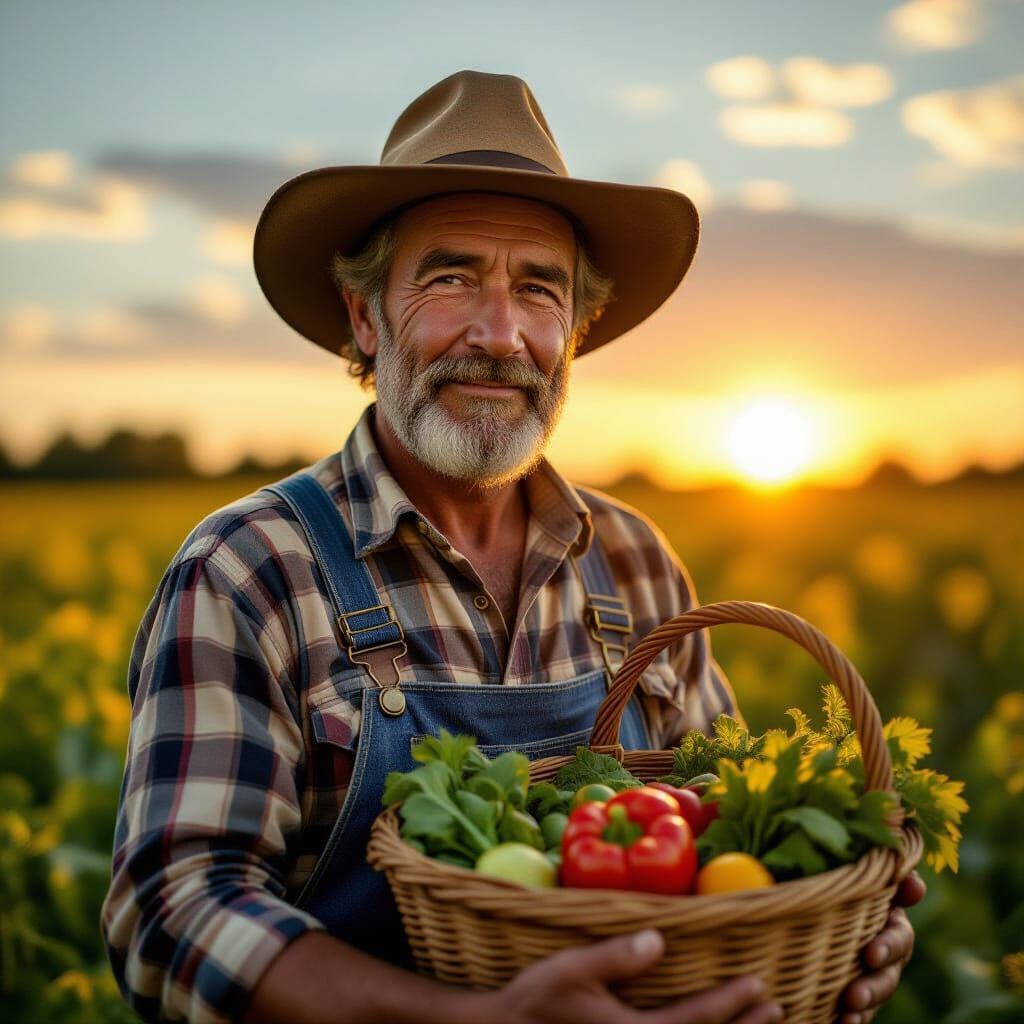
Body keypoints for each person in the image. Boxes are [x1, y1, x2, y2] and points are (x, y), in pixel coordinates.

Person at [101, 70, 922, 1024]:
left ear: (577, 328)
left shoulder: (639, 562)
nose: (501, 335)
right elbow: (171, 911)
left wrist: (825, 931)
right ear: (365, 314)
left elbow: (727, 842)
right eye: (450, 278)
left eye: (540, 290)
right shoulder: (250, 569)